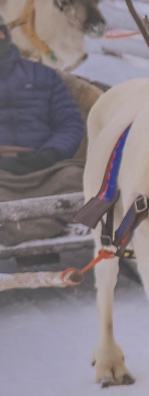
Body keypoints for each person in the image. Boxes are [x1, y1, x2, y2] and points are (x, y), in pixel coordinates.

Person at [0, 19, 88, 249]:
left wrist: (51, 153)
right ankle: (45, 226)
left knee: (81, 180)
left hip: (45, 168)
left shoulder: (43, 75)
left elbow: (70, 122)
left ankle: (18, 230)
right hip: (1, 176)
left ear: (5, 36)